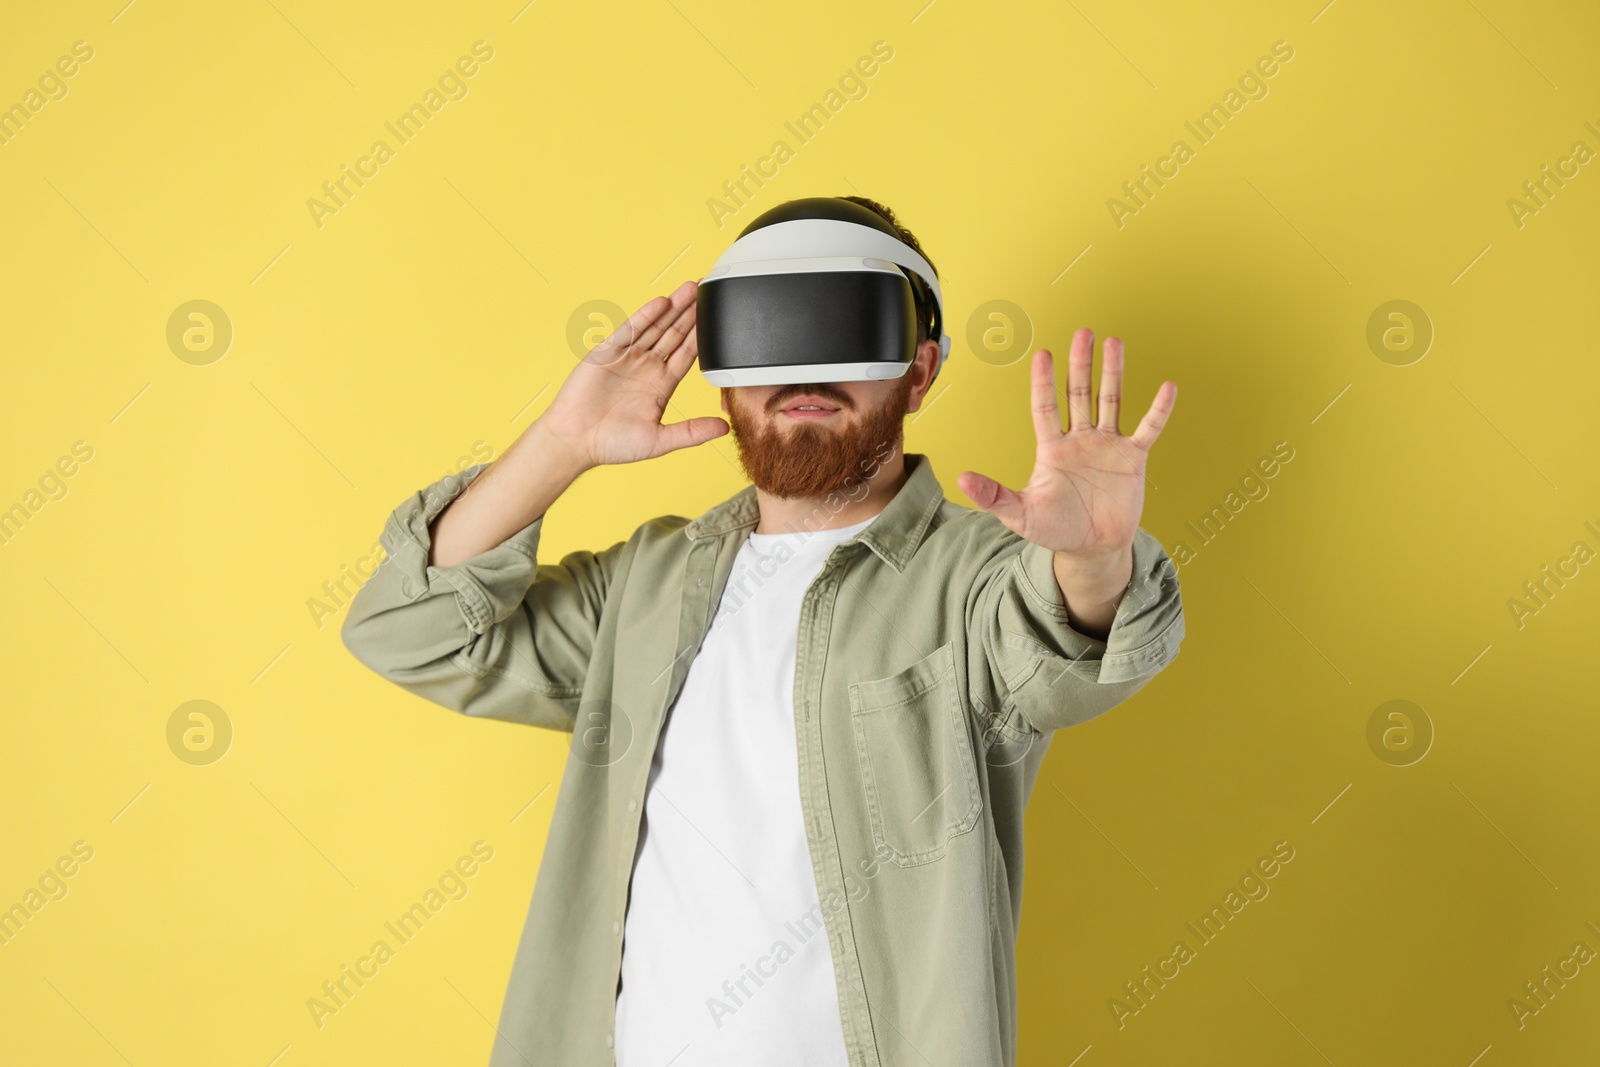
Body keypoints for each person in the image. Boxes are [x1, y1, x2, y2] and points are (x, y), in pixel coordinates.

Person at [341, 197, 1185, 1067]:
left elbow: (1071, 656)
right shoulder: (643, 586)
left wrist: (1094, 557)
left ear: (919, 372)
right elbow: (409, 627)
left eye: (844, 328)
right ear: (725, 367)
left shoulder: (976, 579)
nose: (805, 374)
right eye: (771, 332)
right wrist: (563, 442)